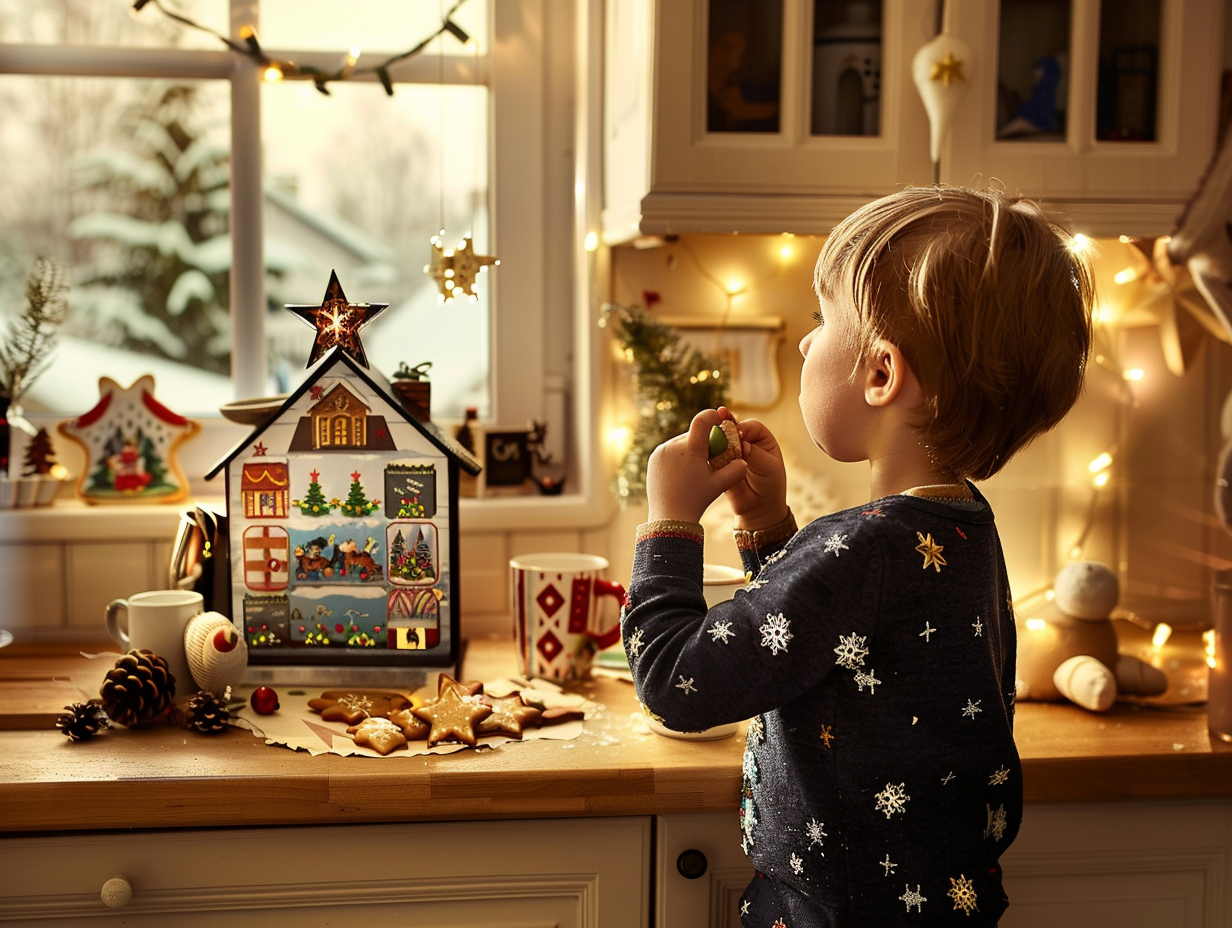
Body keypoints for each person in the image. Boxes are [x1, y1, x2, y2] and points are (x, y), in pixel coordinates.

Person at [621, 185, 1095, 927]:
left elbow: (677, 684)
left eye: (821, 319)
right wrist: (771, 526)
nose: (808, 341)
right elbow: (831, 644)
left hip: (836, 908)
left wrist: (670, 522)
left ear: (880, 374)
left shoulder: (866, 547)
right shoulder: (961, 523)